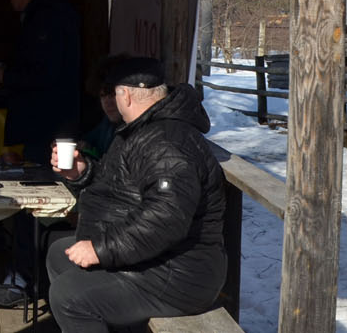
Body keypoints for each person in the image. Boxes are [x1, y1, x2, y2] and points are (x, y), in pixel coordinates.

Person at [45, 57, 228, 333]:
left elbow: (166, 218)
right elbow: (120, 191)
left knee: (69, 297)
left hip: (180, 274)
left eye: (113, 92)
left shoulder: (166, 141)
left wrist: (100, 249)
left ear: (126, 95)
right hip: (159, 258)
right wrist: (81, 173)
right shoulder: (142, 130)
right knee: (61, 254)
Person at [0, 0, 83, 308]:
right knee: (41, 203)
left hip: (50, 129)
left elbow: (45, 74)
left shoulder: (47, 18)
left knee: (38, 203)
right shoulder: (54, 13)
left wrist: (5, 77)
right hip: (56, 126)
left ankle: (25, 280)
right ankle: (35, 279)